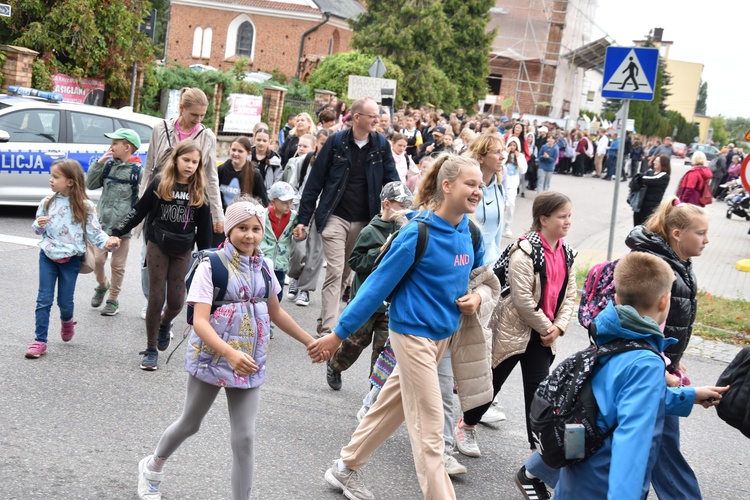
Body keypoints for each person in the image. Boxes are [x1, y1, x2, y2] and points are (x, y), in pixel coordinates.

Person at [309, 154, 487, 500]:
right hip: (411, 334)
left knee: (390, 408)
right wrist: (337, 334)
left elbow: (482, 277)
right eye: (470, 184)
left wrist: (478, 296)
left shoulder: (470, 233)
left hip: (444, 337)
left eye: (480, 185)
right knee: (431, 429)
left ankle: (345, 468)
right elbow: (374, 288)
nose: (478, 191)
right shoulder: (416, 233)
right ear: (447, 186)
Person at [136, 198, 326, 500]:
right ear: (228, 229)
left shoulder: (264, 266)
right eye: (241, 228)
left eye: (255, 229)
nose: (249, 235)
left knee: (245, 438)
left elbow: (276, 313)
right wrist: (229, 353)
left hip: (249, 360)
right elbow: (199, 321)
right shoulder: (212, 265)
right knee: (190, 423)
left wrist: (309, 341)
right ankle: (153, 466)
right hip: (212, 357)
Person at [550, 252, 728, 500]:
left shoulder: (608, 337)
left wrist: (689, 396)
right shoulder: (645, 363)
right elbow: (631, 446)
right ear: (664, 301)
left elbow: (623, 399)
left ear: (615, 298)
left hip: (575, 481)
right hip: (605, 485)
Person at [455, 192, 577, 463]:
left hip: (543, 335)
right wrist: (548, 327)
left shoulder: (567, 252)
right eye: (562, 216)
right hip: (515, 329)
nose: (567, 221)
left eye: (569, 216)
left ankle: (537, 450)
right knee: (493, 382)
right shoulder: (524, 250)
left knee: (538, 393)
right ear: (543, 219)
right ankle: (467, 425)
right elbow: (522, 299)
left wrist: (558, 328)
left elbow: (570, 294)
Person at [626, 197, 710, 499]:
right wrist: (660, 366)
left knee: (652, 444)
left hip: (661, 366)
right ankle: (542, 469)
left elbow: (671, 323)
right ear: (677, 233)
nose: (707, 240)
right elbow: (639, 324)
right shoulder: (657, 266)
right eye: (700, 233)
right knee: (658, 445)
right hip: (649, 369)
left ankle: (541, 470)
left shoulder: (681, 263)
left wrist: (674, 358)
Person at [295, 97, 400, 337]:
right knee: (334, 269)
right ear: (356, 117)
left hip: (365, 221)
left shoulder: (381, 145)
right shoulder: (335, 143)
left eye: (378, 116)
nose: (377, 120)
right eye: (372, 116)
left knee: (346, 272)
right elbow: (315, 182)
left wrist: (398, 212)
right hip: (335, 216)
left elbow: (392, 180)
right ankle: (329, 329)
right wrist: (303, 219)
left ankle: (326, 318)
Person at [112, 140, 213, 371]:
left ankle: (164, 324)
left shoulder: (199, 192)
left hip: (183, 249)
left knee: (178, 301)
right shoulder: (160, 183)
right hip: (157, 244)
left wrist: (206, 258)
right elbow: (140, 210)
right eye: (186, 160)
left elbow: (205, 229)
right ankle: (150, 349)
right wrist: (118, 231)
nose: (190, 165)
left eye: (194, 162)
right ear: (176, 159)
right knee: (156, 298)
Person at [139, 87, 222, 318]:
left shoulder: (207, 136)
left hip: (187, 206)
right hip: (158, 202)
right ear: (182, 108)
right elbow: (149, 168)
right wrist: (141, 203)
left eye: (202, 116)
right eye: (194, 114)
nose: (198, 120)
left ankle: (166, 312)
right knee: (148, 261)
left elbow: (211, 177)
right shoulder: (160, 129)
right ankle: (153, 306)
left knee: (179, 263)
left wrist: (218, 216)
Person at [26, 160, 120, 358]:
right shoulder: (47, 202)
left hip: (71, 260)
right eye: (51, 176)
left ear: (70, 181)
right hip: (48, 256)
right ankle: (39, 340)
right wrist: (39, 224)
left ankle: (67, 320)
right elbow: (37, 229)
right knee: (43, 299)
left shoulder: (85, 206)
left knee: (65, 302)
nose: (51, 180)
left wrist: (109, 242)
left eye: (56, 177)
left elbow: (95, 233)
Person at [325, 181, 413, 391]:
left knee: (384, 350)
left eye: (406, 205)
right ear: (386, 204)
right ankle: (335, 365)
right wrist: (379, 253)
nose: (404, 210)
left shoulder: (406, 230)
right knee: (355, 343)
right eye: (400, 205)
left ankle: (377, 389)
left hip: (390, 303)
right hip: (367, 300)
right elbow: (355, 261)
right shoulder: (370, 231)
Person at [85, 128, 143, 316]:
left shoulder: (137, 172)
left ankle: (113, 299)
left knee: (117, 266)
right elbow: (90, 184)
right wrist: (99, 163)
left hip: (122, 229)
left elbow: (143, 199)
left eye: (115, 143)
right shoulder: (108, 166)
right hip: (102, 225)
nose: (111, 147)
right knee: (98, 261)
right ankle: (102, 285)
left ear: (127, 147)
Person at [284, 131, 328, 309]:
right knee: (298, 247)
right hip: (302, 206)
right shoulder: (305, 160)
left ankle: (305, 289)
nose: (325, 147)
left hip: (323, 210)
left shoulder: (335, 164)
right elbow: (294, 185)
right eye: (323, 143)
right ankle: (294, 276)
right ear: (317, 142)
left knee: (315, 251)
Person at [216, 137, 269, 246]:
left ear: (248, 153)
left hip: (242, 226)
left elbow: (262, 203)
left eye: (240, 151)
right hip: (221, 223)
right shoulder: (221, 170)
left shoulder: (255, 174)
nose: (236, 153)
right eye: (233, 150)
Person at [260, 181, 298, 302]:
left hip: (281, 263)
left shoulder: (294, 217)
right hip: (263, 261)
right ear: (273, 201)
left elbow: (301, 234)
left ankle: (271, 317)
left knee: (278, 293)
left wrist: (300, 234)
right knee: (261, 290)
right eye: (284, 202)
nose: (289, 206)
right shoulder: (263, 215)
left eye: (291, 202)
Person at [632, 154, 671, 226]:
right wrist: (640, 179)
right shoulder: (650, 172)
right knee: (636, 226)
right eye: (655, 160)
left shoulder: (664, 176)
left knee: (646, 227)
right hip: (640, 204)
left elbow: (646, 180)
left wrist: (641, 179)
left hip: (650, 207)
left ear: (663, 163)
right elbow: (637, 180)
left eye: (657, 161)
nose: (654, 162)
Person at [502, 136, 528, 237]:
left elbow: (523, 170)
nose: (512, 147)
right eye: (511, 145)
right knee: (502, 205)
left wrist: (518, 157)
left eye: (514, 145)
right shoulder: (504, 154)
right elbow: (499, 164)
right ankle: (499, 225)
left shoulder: (520, 156)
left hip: (513, 184)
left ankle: (507, 225)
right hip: (503, 183)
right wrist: (505, 152)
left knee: (511, 204)